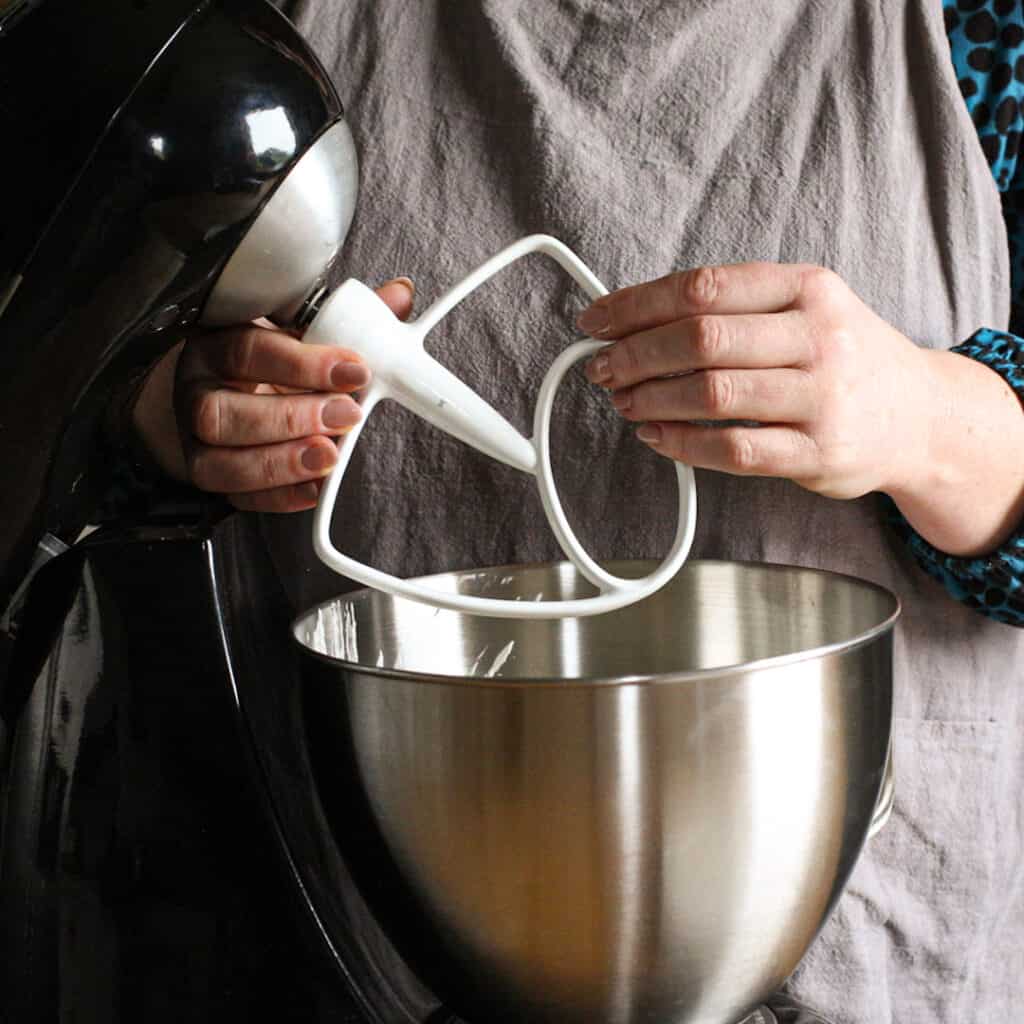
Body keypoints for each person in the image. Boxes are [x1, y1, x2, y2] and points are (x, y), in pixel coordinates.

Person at [107, 1, 1024, 1020]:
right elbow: (82, 413)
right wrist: (170, 422)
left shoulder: (980, 23)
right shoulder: (262, 31)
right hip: (373, 942)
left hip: (886, 953)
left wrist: (932, 421)